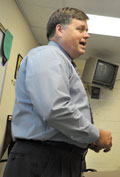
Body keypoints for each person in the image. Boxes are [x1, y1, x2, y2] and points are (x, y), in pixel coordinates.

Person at [4, 7, 112, 177]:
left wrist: (85, 140)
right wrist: (95, 135)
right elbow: (56, 109)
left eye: (87, 30)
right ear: (59, 29)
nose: (87, 35)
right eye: (80, 29)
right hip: (44, 160)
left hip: (55, 159)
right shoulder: (48, 55)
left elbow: (52, 121)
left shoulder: (63, 63)